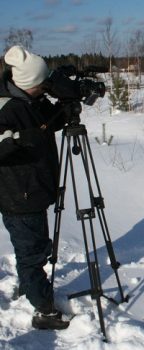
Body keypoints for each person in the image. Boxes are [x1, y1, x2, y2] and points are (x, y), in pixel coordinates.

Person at [0, 46, 69, 330]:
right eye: (42, 83)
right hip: (19, 196)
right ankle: (44, 311)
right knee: (32, 253)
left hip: (32, 191)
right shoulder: (7, 106)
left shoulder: (30, 98)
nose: (45, 87)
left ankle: (27, 286)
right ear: (29, 84)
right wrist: (24, 138)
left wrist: (67, 98)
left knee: (32, 249)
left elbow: (52, 123)